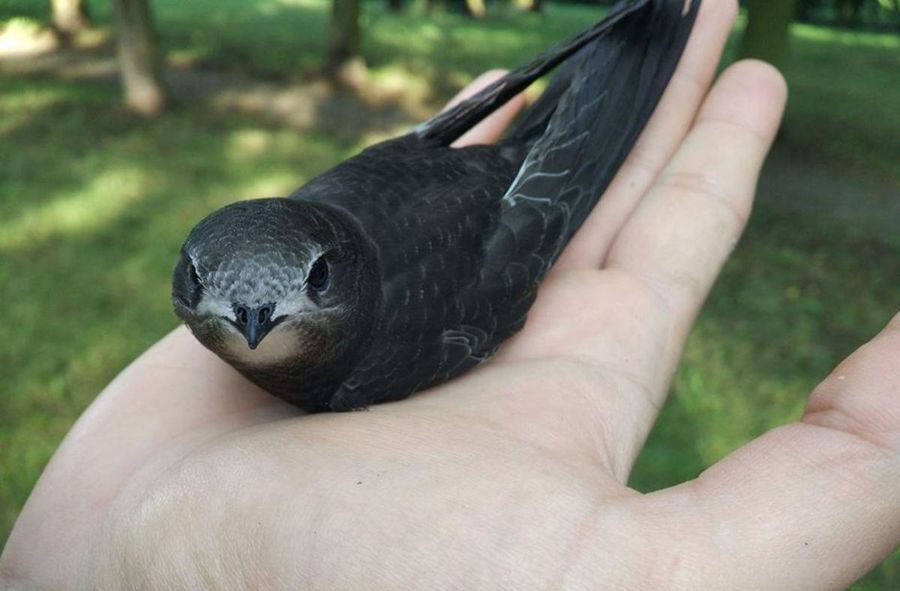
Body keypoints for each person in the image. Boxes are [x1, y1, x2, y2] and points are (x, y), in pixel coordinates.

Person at [2, 0, 898, 588]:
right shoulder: (305, 233)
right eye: (210, 296)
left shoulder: (367, 357)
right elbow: (389, 185)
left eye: (298, 288)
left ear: (332, 273)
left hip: (489, 204)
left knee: (616, 96)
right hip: (456, 181)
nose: (249, 322)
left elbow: (506, 203)